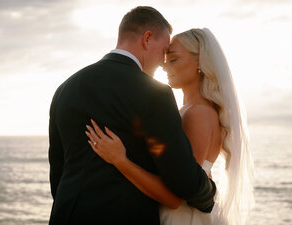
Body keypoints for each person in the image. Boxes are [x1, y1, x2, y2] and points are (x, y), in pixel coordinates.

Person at [48, 6, 216, 225]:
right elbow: (184, 182)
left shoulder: (65, 89)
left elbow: (57, 174)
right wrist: (210, 192)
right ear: (147, 39)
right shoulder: (153, 94)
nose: (163, 61)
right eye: (164, 50)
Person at [86, 28, 255, 225]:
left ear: (200, 63)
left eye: (173, 59)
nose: (164, 67)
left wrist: (120, 160)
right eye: (165, 59)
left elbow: (176, 196)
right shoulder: (189, 110)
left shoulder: (198, 113)